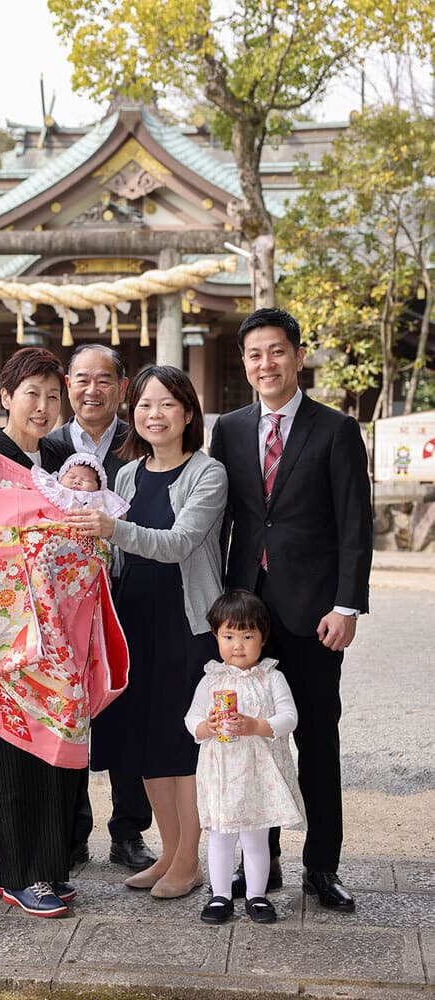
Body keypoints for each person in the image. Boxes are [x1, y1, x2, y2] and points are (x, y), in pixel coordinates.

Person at [210, 307, 373, 911]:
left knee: (316, 740)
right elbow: (223, 519)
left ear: (298, 356)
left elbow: (356, 525)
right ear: (245, 362)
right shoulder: (228, 428)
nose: (265, 364)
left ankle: (322, 867)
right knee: (252, 740)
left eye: (277, 351)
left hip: (312, 616)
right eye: (254, 354)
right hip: (247, 619)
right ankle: (264, 861)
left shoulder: (334, 429)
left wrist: (347, 605)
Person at [0, 347, 115, 918]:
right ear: (5, 398)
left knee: (58, 755)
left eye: (54, 395)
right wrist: (54, 520)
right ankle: (23, 873)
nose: (45, 406)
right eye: (33, 394)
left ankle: (40, 869)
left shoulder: (61, 458)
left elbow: (86, 534)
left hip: (63, 637)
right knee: (11, 755)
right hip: (10, 637)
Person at [67, 365, 228, 899]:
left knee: (182, 747)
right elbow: (112, 554)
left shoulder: (208, 473)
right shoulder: (129, 473)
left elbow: (179, 543)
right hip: (132, 623)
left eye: (166, 404)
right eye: (143, 405)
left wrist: (113, 529)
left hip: (184, 627)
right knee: (146, 746)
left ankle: (189, 861)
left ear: (187, 412)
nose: (153, 415)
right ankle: (168, 852)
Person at [48, 344, 157, 873]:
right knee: (67, 709)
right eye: (81, 380)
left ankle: (129, 830)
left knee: (125, 709)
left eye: (104, 381)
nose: (92, 391)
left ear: (122, 385)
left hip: (127, 593)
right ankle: (70, 831)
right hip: (63, 603)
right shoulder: (47, 448)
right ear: (68, 384)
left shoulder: (141, 443)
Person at [184, 591, 305, 925]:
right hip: (221, 774)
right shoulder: (211, 680)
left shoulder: (271, 678)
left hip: (258, 774)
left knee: (256, 837)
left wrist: (257, 725)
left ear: (262, 639)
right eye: (229, 636)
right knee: (221, 836)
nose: (238, 645)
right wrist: (205, 727)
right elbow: (191, 718)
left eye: (247, 636)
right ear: (216, 637)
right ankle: (220, 894)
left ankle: (257, 895)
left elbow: (290, 717)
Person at [30, 451, 130, 517]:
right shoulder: (53, 490)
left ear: (98, 486)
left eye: (86, 480)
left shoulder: (101, 498)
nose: (77, 481)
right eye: (72, 477)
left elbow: (116, 519)